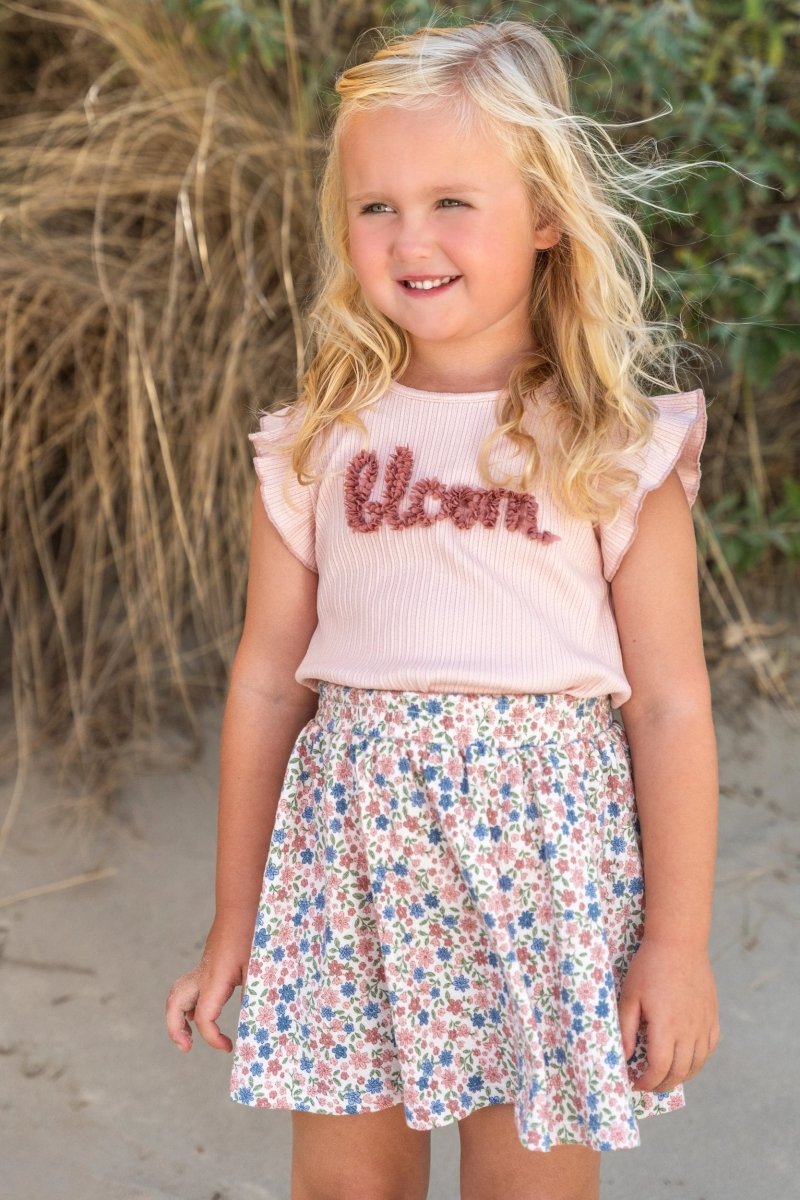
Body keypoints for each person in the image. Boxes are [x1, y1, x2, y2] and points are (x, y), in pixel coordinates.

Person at [165, 17, 720, 1200]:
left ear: (545, 213)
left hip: (544, 869)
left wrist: (674, 948)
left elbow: (669, 706)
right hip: (350, 868)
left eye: (450, 202)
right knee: (347, 1187)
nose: (409, 238)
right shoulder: (316, 444)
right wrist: (235, 921)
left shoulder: (611, 449)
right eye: (376, 206)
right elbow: (266, 682)